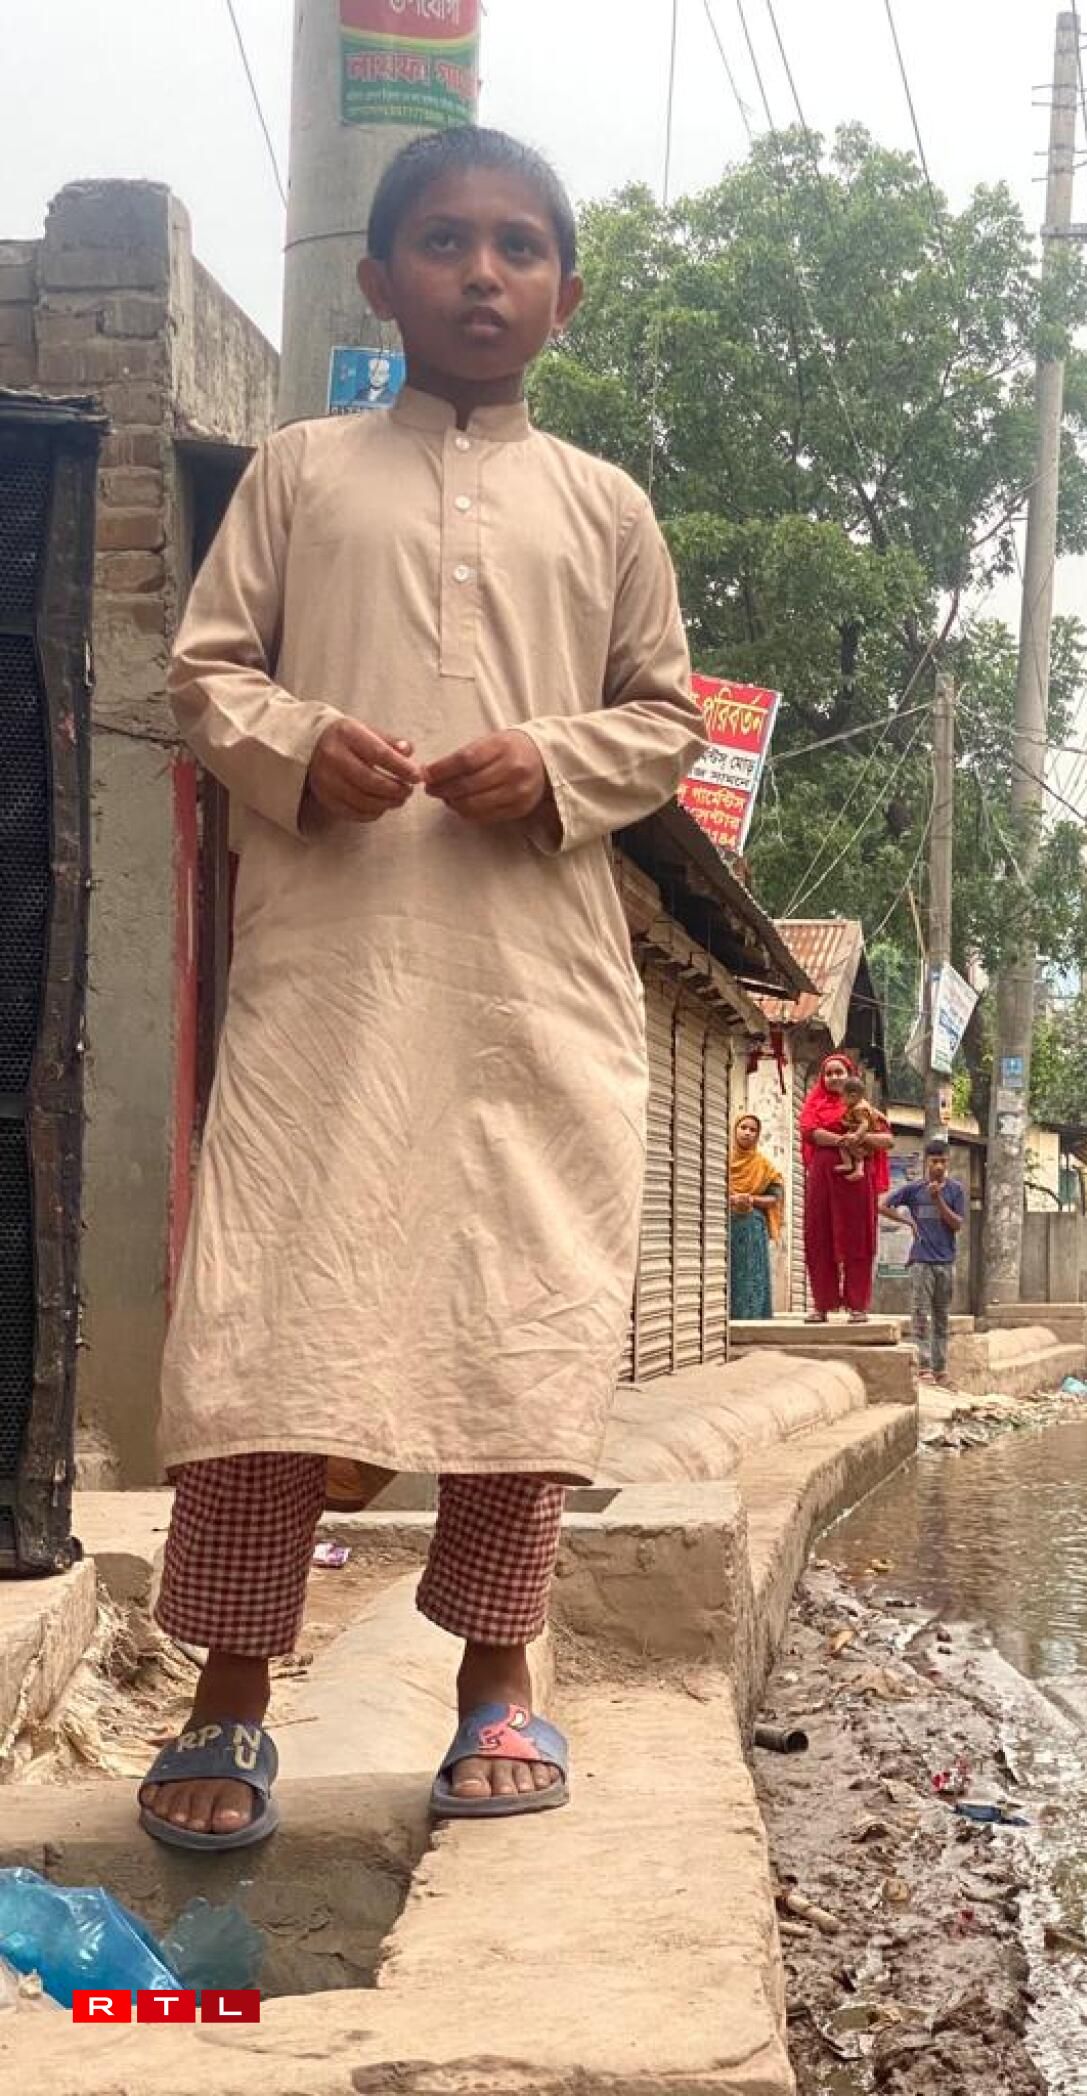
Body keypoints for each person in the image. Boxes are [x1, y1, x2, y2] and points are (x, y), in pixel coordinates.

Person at [137, 127, 706, 1849]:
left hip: (537, 983)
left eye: (519, 246)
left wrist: (554, 760)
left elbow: (665, 718)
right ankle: (230, 1695)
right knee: (266, 1321)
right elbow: (206, 674)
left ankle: (497, 1679)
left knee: (517, 1321)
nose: (482, 273)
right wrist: (304, 742)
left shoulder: (606, 506)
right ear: (380, 280)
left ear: (565, 295)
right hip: (328, 975)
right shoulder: (299, 474)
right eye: (445, 242)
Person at [799, 1053, 894, 1322]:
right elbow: (810, 1133)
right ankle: (822, 1304)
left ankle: (857, 1305)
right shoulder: (814, 1105)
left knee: (858, 1239)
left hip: (857, 1181)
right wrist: (843, 1141)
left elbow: (887, 1141)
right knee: (819, 1236)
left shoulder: (864, 1108)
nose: (834, 1078)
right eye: (828, 1073)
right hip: (823, 1177)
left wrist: (860, 1138)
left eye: (839, 1072)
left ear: (850, 1076)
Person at [879, 1140, 967, 1384]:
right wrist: (907, 1222)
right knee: (920, 1315)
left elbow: (957, 1224)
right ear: (926, 1162)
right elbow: (883, 1206)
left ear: (948, 1162)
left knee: (941, 1316)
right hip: (921, 1261)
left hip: (945, 1262)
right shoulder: (914, 1189)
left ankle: (941, 1369)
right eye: (934, 1161)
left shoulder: (955, 1190)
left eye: (942, 1162)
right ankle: (924, 1367)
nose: (938, 1166)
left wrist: (938, 1200)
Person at [729, 1114, 783, 1319]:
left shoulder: (763, 1166)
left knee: (752, 1275)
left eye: (753, 1130)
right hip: (726, 1227)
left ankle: (754, 1316)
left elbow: (775, 1197)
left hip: (752, 1230)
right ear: (735, 1129)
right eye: (743, 1127)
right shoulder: (721, 1160)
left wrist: (751, 1199)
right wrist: (732, 1200)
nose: (747, 1133)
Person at [833, 1076, 881, 1181]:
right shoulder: (860, 1104)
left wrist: (856, 1135)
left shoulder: (858, 1109)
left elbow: (864, 1124)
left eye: (843, 1096)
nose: (841, 1100)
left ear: (853, 1096)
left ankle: (851, 1165)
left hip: (862, 1135)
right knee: (849, 1146)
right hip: (862, 1134)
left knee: (845, 1144)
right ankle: (856, 1168)